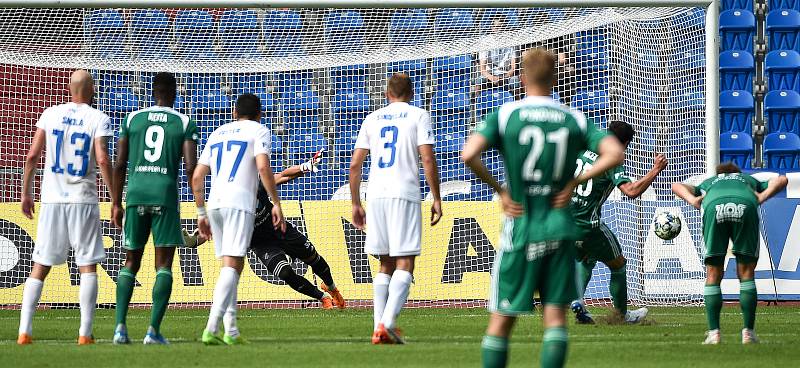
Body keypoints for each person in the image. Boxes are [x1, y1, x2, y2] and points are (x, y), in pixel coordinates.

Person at [462, 48, 624, 368]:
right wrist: (574, 182)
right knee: (555, 319)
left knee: (502, 321)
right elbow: (614, 152)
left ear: (522, 78)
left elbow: (468, 154)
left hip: (522, 228)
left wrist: (501, 191)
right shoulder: (573, 118)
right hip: (560, 229)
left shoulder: (508, 114)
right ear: (556, 78)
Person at [17, 70, 113, 345]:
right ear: (91, 88)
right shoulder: (98, 118)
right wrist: (114, 198)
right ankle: (85, 334)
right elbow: (103, 160)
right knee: (87, 264)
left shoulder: (50, 114)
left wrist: (26, 193)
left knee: (41, 264)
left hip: (51, 198)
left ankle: (25, 331)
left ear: (70, 88)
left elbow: (32, 155)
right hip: (82, 198)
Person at [186, 151, 346, 310]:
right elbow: (208, 231)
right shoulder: (226, 207)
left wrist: (306, 166)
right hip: (261, 245)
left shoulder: (256, 185)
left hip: (281, 230)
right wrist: (192, 242)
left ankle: (331, 287)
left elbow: (284, 176)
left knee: (314, 258)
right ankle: (322, 297)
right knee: (284, 273)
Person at [349, 73, 443, 344]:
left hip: (376, 194)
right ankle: (387, 325)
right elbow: (427, 157)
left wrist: (356, 202)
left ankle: (379, 326)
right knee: (405, 262)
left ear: (388, 93)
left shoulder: (372, 118)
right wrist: (436, 197)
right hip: (404, 193)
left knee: (385, 262)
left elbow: (355, 165)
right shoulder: (418, 115)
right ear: (411, 93)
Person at [111, 72, 199, 345]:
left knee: (130, 263)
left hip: (135, 194)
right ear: (174, 93)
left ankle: (120, 329)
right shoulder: (183, 122)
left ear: (152, 91)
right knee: (164, 265)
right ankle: (152, 331)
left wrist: (115, 202)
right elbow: (190, 167)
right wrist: (199, 204)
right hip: (164, 195)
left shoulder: (132, 119)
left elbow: (119, 164)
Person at [193, 93, 286, 346]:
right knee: (232, 266)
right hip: (239, 203)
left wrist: (201, 213)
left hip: (215, 204)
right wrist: (276, 203)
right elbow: (264, 168)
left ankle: (231, 331)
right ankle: (211, 328)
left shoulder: (217, 133)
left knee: (232, 265)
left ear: (234, 112)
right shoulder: (259, 130)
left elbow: (198, 176)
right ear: (259, 114)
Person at [672, 162, 787, 345]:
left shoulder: (710, 182)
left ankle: (714, 333)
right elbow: (782, 179)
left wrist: (692, 200)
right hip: (745, 205)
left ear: (720, 174)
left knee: (713, 273)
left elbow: (676, 186)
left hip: (714, 206)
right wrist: (762, 196)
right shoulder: (748, 180)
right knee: (747, 272)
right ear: (737, 173)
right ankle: (748, 333)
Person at [569, 120, 667, 324]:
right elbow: (631, 191)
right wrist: (655, 170)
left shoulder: (583, 150)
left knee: (586, 258)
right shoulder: (611, 159)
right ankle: (622, 315)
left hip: (565, 220)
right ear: (625, 144)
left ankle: (577, 300)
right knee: (618, 264)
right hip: (588, 224)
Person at [475, 15, 521, 95]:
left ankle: (517, 103)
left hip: (506, 74)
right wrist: (491, 77)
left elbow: (514, 67)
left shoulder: (512, 41)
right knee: (479, 81)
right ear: (492, 28)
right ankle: (474, 105)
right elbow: (482, 69)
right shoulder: (486, 41)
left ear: (505, 27)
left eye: (501, 27)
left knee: (515, 81)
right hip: (490, 74)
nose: (498, 30)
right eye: (496, 27)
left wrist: (505, 77)